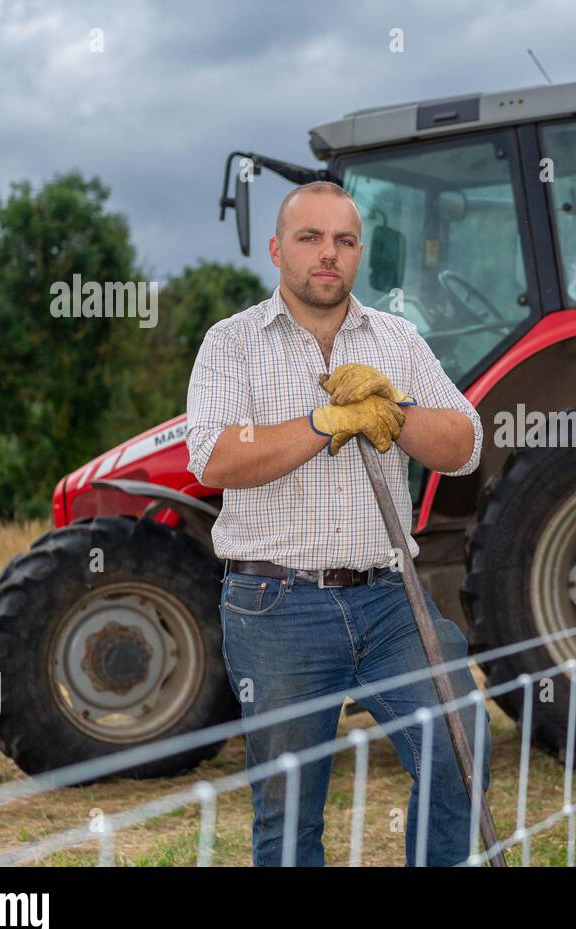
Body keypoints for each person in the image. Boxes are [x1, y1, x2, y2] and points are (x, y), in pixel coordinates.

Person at [184, 180, 491, 867]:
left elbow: (465, 444)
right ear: (277, 250)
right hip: (275, 606)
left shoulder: (397, 339)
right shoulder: (230, 343)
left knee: (459, 748)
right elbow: (213, 457)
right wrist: (327, 422)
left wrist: (394, 411)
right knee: (289, 815)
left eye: (345, 241)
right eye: (310, 238)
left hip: (390, 599)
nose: (329, 254)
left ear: (361, 255)